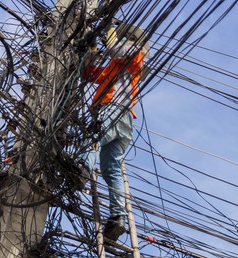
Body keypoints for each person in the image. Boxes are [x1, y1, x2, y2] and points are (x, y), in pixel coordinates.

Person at [78, 25, 145, 241]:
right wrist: (89, 50)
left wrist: (109, 31)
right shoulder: (115, 67)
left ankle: (82, 169)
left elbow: (116, 48)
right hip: (123, 122)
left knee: (93, 136)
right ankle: (118, 218)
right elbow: (90, 73)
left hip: (114, 110)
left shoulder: (135, 53)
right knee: (111, 168)